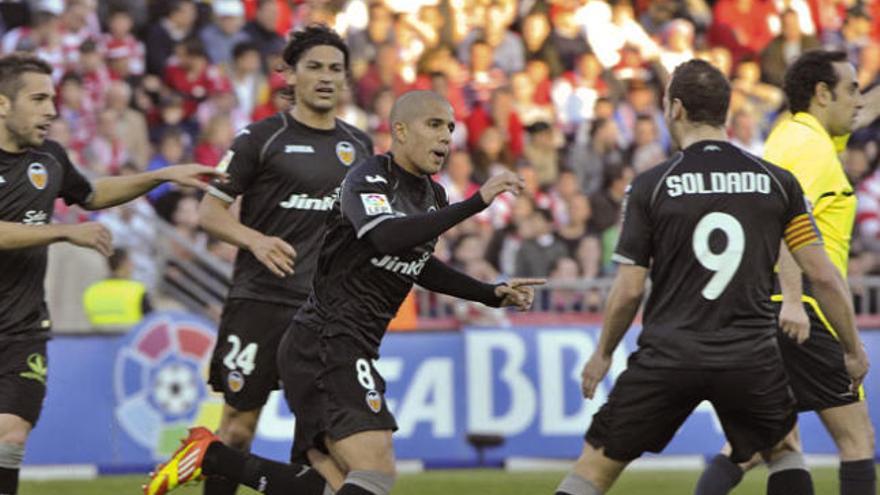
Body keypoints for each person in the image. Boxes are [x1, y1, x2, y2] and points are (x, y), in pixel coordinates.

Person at [145, 90, 543, 495]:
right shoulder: (367, 179)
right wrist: (477, 202)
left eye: (451, 128)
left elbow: (416, 264)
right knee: (376, 472)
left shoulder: (431, 196)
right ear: (400, 131)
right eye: (435, 124)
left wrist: (489, 294)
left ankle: (213, 457)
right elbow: (386, 237)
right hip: (327, 341)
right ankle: (213, 456)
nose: (446, 137)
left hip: (344, 345)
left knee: (335, 488)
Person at [553, 59, 869, 495]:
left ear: (675, 109)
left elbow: (628, 291)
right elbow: (825, 275)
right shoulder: (776, 182)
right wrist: (852, 348)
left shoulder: (651, 185)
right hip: (750, 357)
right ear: (725, 109)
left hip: (669, 355)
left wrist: (603, 353)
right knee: (784, 451)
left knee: (592, 470)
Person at [0, 52, 223, 495]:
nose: (51, 110)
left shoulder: (50, 157)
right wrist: (63, 233)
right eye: (39, 98)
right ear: (3, 104)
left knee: (10, 436)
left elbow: (94, 193)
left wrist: (160, 175)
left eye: (54, 99)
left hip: (23, 329)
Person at [197, 24, 373, 495]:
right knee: (237, 428)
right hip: (260, 301)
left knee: (324, 444)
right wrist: (254, 240)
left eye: (336, 69)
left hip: (322, 316)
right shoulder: (260, 138)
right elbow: (208, 212)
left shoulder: (359, 146)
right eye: (314, 67)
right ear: (289, 75)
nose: (326, 77)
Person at [695, 49, 880, 495]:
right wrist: (796, 301)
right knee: (857, 440)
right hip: (802, 308)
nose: (860, 100)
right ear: (821, 94)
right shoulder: (810, 150)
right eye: (852, 89)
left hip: (761, 304)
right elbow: (784, 226)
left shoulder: (794, 135)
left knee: (766, 443)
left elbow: (859, 113)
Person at [82, 248, 152, 330]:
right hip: (129, 340)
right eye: (130, 261)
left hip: (100, 340)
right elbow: (151, 320)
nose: (133, 265)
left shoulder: (92, 290)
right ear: (123, 263)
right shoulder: (137, 290)